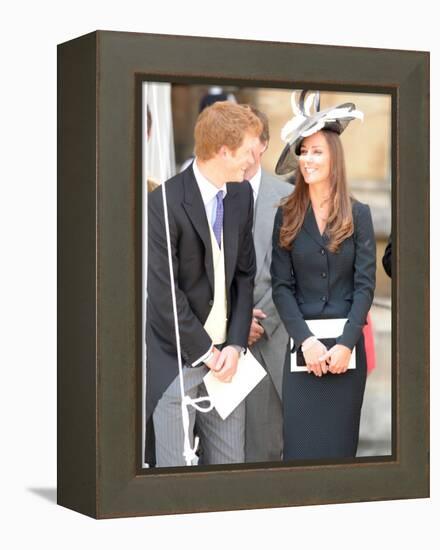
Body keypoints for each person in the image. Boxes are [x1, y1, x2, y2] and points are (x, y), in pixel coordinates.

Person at [145, 101, 262, 467]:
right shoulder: (164, 201)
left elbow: (244, 276)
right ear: (224, 151)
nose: (254, 157)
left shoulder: (241, 194)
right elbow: (164, 296)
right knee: (174, 476)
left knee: (230, 470)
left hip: (228, 364)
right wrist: (207, 354)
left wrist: (236, 345)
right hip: (177, 360)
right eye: (247, 150)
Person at [271, 91, 376, 460]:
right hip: (303, 354)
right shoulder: (285, 215)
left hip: (346, 356)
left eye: (317, 151)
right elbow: (281, 288)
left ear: (334, 156)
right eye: (303, 151)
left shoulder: (359, 214)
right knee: (299, 456)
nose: (308, 159)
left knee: (340, 457)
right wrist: (307, 341)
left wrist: (346, 344)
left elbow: (365, 287)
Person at [243, 107, 291, 462]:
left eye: (246, 138)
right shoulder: (204, 192)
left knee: (266, 449)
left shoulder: (288, 198)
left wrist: (259, 321)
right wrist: (235, 321)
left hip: (271, 339)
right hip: (218, 344)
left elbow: (292, 272)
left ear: (263, 145)